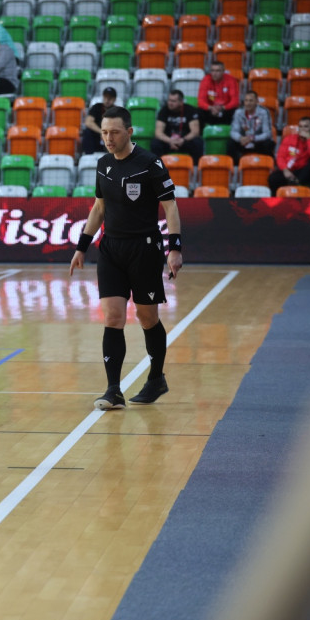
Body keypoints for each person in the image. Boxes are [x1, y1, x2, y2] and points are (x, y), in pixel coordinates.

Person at [69, 105, 183, 410]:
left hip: (144, 249)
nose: (108, 137)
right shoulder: (103, 164)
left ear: (129, 132)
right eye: (104, 132)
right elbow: (98, 208)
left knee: (147, 318)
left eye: (114, 132)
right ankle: (113, 390)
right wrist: (82, 247)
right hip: (110, 249)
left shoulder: (150, 163)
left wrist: (175, 249)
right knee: (113, 317)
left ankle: (156, 378)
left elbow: (170, 207)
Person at [268, 117, 310, 195]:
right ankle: (276, 201)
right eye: (300, 126)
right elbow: (280, 156)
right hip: (288, 171)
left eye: (306, 126)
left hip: (302, 172)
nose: (302, 129)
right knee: (273, 178)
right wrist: (285, 170)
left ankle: (297, 183)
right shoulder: (289, 139)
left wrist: (309, 138)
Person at [151, 90, 204, 162]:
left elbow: (195, 132)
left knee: (198, 142)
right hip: (168, 141)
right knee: (155, 143)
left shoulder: (190, 110)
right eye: (169, 100)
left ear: (181, 102)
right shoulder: (164, 110)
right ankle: (158, 169)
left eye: (173, 101)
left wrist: (183, 140)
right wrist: (170, 141)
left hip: (185, 140)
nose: (170, 103)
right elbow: (158, 133)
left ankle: (194, 169)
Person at [228, 91, 276, 163]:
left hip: (258, 142)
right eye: (246, 100)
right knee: (230, 143)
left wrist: (253, 138)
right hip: (243, 142)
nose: (248, 103)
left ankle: (267, 164)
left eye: (251, 100)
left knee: (268, 144)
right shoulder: (238, 112)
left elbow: (267, 133)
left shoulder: (264, 112)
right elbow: (233, 131)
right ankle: (237, 166)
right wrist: (240, 138)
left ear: (257, 101)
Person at [198, 61, 241, 127]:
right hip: (211, 110)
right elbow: (201, 101)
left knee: (237, 112)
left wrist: (223, 108)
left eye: (217, 71)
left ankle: (232, 134)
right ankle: (201, 135)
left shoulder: (231, 80)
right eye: (212, 70)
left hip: (226, 110)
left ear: (223, 71)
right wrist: (210, 108)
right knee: (199, 112)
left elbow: (235, 101)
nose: (214, 73)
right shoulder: (205, 80)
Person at [81, 86, 117, 155]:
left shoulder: (117, 110)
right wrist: (101, 132)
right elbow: (88, 122)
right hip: (97, 136)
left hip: (110, 137)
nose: (107, 100)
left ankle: (114, 157)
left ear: (114, 99)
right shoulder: (96, 107)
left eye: (110, 98)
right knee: (87, 132)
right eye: (105, 97)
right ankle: (88, 156)